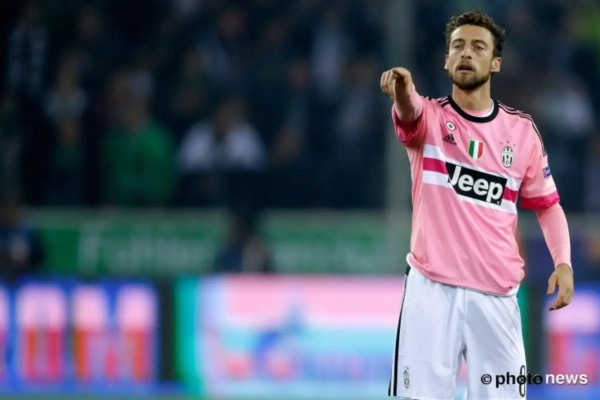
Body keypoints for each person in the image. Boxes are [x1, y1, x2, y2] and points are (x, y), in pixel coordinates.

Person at [380, 11, 574, 400]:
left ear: (495, 63)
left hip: (497, 298)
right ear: (446, 60)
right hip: (431, 292)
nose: (466, 53)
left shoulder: (521, 132)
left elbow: (547, 205)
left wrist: (563, 263)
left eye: (478, 47)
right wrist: (402, 90)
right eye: (458, 46)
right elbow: (408, 108)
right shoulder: (429, 119)